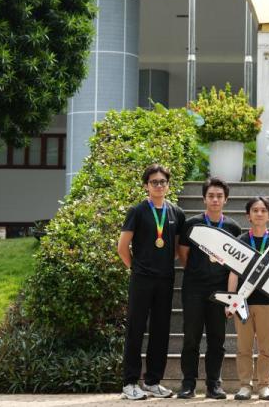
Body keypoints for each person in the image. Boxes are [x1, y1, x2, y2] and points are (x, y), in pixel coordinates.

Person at [117, 164, 184, 400]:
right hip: (142, 279)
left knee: (161, 330)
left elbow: (176, 248)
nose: (159, 185)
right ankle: (129, 383)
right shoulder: (137, 211)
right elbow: (122, 247)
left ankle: (153, 381)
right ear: (146, 186)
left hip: (165, 279)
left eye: (162, 182)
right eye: (154, 182)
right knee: (136, 328)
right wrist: (136, 268)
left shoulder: (176, 213)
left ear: (168, 185)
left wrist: (161, 264)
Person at [176, 177, 242, 400]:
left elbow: (235, 263)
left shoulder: (233, 228)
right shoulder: (192, 224)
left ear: (226, 200)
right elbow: (183, 254)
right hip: (194, 288)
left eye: (219, 196)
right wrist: (198, 271)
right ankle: (188, 384)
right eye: (211, 196)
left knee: (217, 339)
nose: (215, 200)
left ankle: (214, 385)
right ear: (204, 198)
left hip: (220, 291)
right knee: (191, 337)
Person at [229, 196, 269, 401]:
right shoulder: (241, 241)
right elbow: (233, 272)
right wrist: (231, 300)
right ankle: (245, 386)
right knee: (243, 347)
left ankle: (264, 386)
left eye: (263, 210)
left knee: (267, 348)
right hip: (243, 302)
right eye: (255, 210)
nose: (259, 214)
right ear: (248, 216)